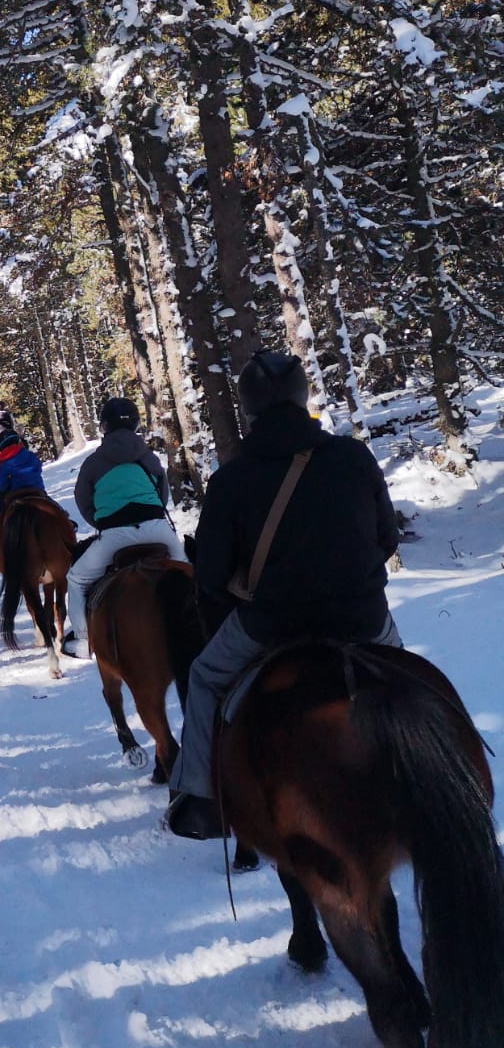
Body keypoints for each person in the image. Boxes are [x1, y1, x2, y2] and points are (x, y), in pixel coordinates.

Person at [165, 350, 402, 840]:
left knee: (206, 678)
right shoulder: (354, 455)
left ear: (248, 407)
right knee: (407, 683)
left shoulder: (231, 478)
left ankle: (202, 801)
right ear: (302, 397)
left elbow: (209, 576)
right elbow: (387, 539)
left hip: (270, 626)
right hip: (363, 619)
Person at [62, 397, 185, 658]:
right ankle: (205, 625)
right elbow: (162, 496)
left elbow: (84, 502)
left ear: (104, 426)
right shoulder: (149, 458)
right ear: (136, 423)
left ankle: (83, 641)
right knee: (189, 573)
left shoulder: (93, 463)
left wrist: (103, 521)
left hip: (115, 535)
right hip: (157, 528)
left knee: (77, 579)